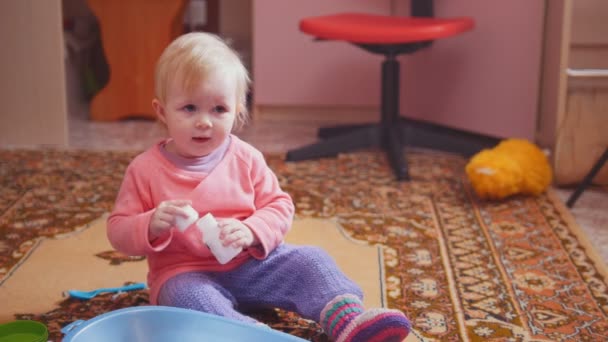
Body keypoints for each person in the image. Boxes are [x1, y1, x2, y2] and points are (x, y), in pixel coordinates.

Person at [107, 32, 411, 342]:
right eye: (189, 108)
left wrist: (252, 230)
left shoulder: (246, 158)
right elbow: (117, 229)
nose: (204, 122)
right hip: (185, 273)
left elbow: (279, 206)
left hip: (252, 265)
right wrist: (149, 224)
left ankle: (346, 319)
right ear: (161, 111)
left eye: (218, 110)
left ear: (238, 111)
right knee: (187, 300)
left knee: (311, 260)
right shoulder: (144, 170)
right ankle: (248, 335)